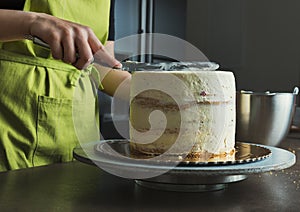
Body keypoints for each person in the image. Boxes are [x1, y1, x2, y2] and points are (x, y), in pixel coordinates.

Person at [0, 0, 131, 171]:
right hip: (11, 123)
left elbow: (100, 65)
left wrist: (157, 94)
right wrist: (32, 22)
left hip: (79, 136)